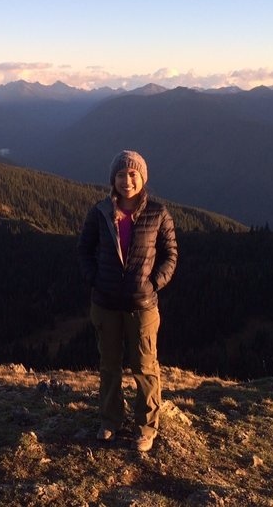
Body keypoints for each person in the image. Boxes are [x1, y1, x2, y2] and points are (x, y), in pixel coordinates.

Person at [77, 149, 178, 452]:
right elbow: (84, 249)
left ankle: (146, 427)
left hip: (142, 305)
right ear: (113, 179)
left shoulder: (158, 214)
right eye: (121, 174)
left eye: (133, 174)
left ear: (142, 177)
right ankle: (110, 421)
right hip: (105, 304)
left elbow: (170, 255)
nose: (127, 180)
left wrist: (153, 283)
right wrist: (95, 279)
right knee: (109, 366)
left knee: (145, 366)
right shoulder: (99, 212)